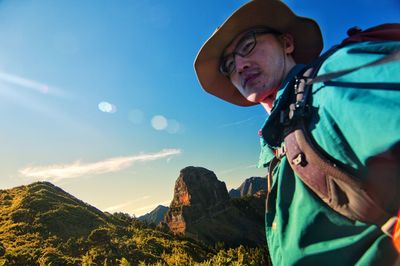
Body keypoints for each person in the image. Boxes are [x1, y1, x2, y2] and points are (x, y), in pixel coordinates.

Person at [194, 0, 400, 265]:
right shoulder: (280, 141)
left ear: (287, 43)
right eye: (229, 66)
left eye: (248, 46)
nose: (240, 65)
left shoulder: (330, 87)